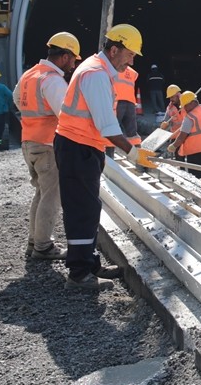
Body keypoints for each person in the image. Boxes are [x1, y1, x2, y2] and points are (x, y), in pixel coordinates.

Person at [54, 23, 157, 290]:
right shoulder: (96, 74)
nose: (132, 60)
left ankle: (89, 263)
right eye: (130, 54)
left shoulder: (98, 71)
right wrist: (133, 153)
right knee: (82, 209)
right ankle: (78, 274)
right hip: (77, 148)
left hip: (84, 147)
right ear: (114, 50)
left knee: (89, 207)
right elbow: (107, 125)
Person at [13, 31, 81, 261]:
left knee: (41, 193)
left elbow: (17, 99)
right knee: (52, 197)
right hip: (47, 145)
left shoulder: (30, 74)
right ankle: (43, 246)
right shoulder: (52, 80)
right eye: (73, 58)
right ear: (64, 56)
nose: (74, 63)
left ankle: (35, 241)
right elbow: (66, 113)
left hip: (29, 142)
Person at [166, 91, 201, 177]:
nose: (185, 109)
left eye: (185, 106)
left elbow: (181, 137)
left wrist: (173, 146)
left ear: (193, 103)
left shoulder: (190, 117)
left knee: (195, 179)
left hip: (196, 152)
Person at [112, 64, 141, 146]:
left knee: (112, 128)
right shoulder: (132, 72)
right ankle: (137, 152)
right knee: (132, 131)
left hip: (117, 101)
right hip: (130, 102)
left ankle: (109, 155)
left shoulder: (114, 69)